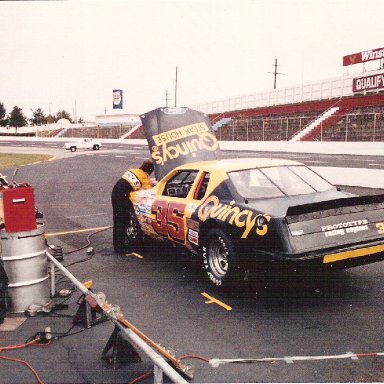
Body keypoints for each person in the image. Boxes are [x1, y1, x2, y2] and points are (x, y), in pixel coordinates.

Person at [111, 160, 154, 253]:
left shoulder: (134, 171)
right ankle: (120, 248)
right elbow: (151, 190)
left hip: (115, 193)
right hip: (122, 196)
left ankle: (118, 245)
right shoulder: (144, 177)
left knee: (117, 220)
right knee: (123, 221)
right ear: (149, 170)